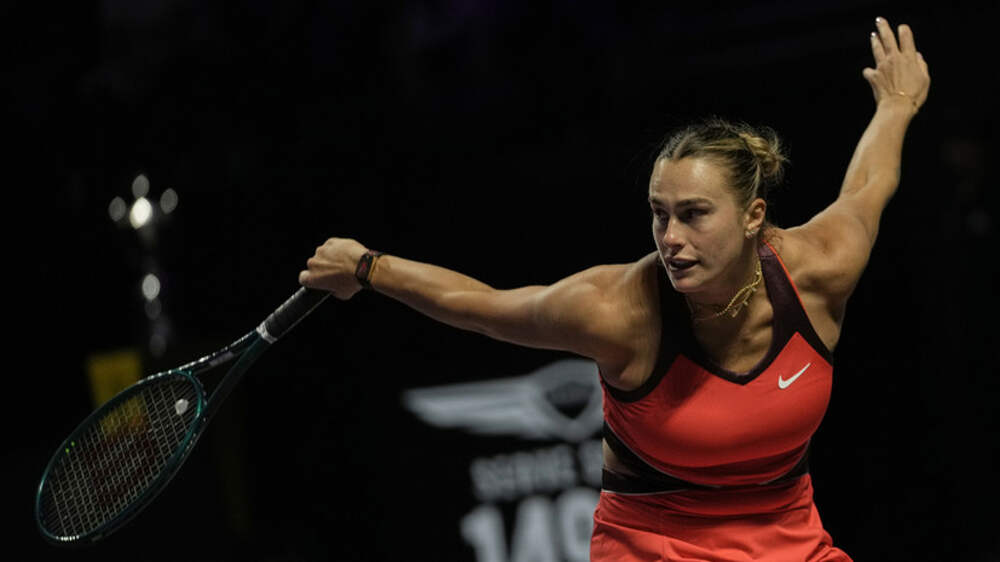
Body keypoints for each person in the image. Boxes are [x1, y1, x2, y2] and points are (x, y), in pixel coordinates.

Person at [298, 17, 929, 562]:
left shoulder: (818, 272)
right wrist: (367, 266)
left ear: (752, 216)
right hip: (654, 545)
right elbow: (482, 307)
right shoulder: (619, 310)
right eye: (659, 213)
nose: (670, 237)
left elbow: (866, 190)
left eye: (694, 214)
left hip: (789, 540)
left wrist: (897, 105)